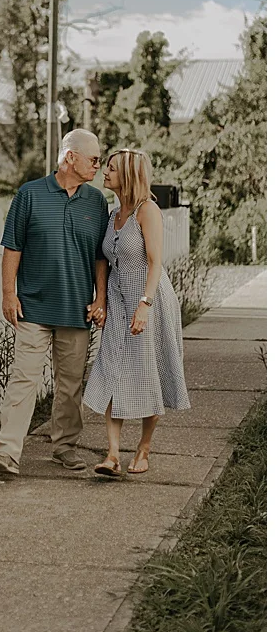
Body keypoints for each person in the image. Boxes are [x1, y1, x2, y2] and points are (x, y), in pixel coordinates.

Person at [0, 129, 109, 476]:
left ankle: (65, 447)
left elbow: (101, 256)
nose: (98, 165)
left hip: (76, 307)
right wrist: (9, 293)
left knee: (69, 385)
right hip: (33, 308)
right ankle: (7, 452)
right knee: (24, 378)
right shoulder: (30, 194)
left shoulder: (96, 202)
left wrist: (101, 297)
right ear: (71, 157)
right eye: (93, 159)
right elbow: (12, 247)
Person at [83, 148, 190, 477]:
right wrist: (101, 299)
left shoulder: (148, 211)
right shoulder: (114, 213)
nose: (105, 172)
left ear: (128, 174)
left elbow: (156, 262)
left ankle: (144, 447)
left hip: (148, 298)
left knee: (147, 373)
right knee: (110, 368)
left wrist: (144, 304)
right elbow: (104, 259)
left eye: (112, 169)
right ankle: (112, 454)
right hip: (117, 299)